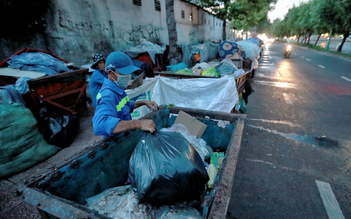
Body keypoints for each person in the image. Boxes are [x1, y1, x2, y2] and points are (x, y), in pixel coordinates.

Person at [92, 51, 158, 138]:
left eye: (129, 73)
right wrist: (139, 123)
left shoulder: (118, 88)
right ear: (110, 73)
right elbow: (100, 124)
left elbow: (125, 105)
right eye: (123, 73)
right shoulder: (107, 95)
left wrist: (143, 102)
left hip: (124, 136)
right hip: (116, 142)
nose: (128, 76)